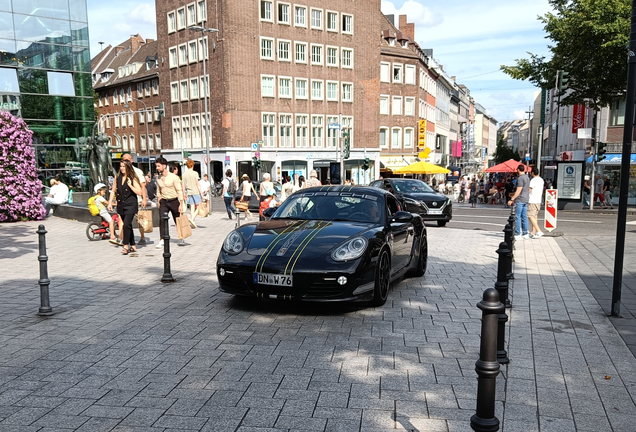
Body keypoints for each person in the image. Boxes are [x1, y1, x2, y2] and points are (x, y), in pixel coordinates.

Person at [108, 160, 142, 255]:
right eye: (121, 166)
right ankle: (133, 245)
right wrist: (110, 203)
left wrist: (131, 186)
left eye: (124, 166)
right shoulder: (117, 177)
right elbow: (113, 191)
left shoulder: (133, 178)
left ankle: (126, 245)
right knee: (128, 225)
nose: (122, 168)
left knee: (126, 224)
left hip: (131, 204)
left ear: (128, 167)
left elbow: (140, 192)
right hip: (121, 204)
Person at [155, 157, 185, 248]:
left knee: (177, 220)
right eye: (156, 166)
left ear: (164, 166)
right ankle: (162, 239)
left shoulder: (174, 177)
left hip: (174, 200)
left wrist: (181, 203)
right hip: (164, 201)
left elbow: (179, 190)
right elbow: (158, 191)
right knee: (162, 220)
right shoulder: (158, 178)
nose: (157, 168)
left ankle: (181, 238)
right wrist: (159, 201)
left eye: (159, 166)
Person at [122, 153, 148, 245]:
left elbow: (143, 186)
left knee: (138, 220)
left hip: (136, 199)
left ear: (132, 161)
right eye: (124, 160)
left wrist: (144, 199)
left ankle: (142, 236)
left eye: (127, 160)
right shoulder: (121, 172)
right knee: (125, 221)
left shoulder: (137, 171)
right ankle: (124, 239)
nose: (126, 162)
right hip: (125, 201)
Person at [507, 164, 530, 240]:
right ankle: (525, 233)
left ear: (518, 170)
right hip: (526, 199)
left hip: (520, 199)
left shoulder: (520, 178)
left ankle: (517, 234)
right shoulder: (527, 177)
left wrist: (512, 199)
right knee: (524, 217)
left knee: (517, 217)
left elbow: (519, 190)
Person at [182, 159, 203, 228]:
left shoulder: (184, 174)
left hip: (189, 192)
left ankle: (192, 221)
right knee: (199, 206)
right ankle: (192, 218)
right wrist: (202, 194)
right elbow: (198, 184)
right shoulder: (195, 173)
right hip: (196, 191)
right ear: (192, 165)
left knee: (192, 207)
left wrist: (184, 192)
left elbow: (183, 184)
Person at [528, 167, 545, 239]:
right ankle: (533, 231)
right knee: (535, 216)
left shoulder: (533, 180)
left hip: (532, 199)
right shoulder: (541, 180)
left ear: (532, 173)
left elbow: (529, 190)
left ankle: (539, 231)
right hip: (538, 200)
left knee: (530, 215)